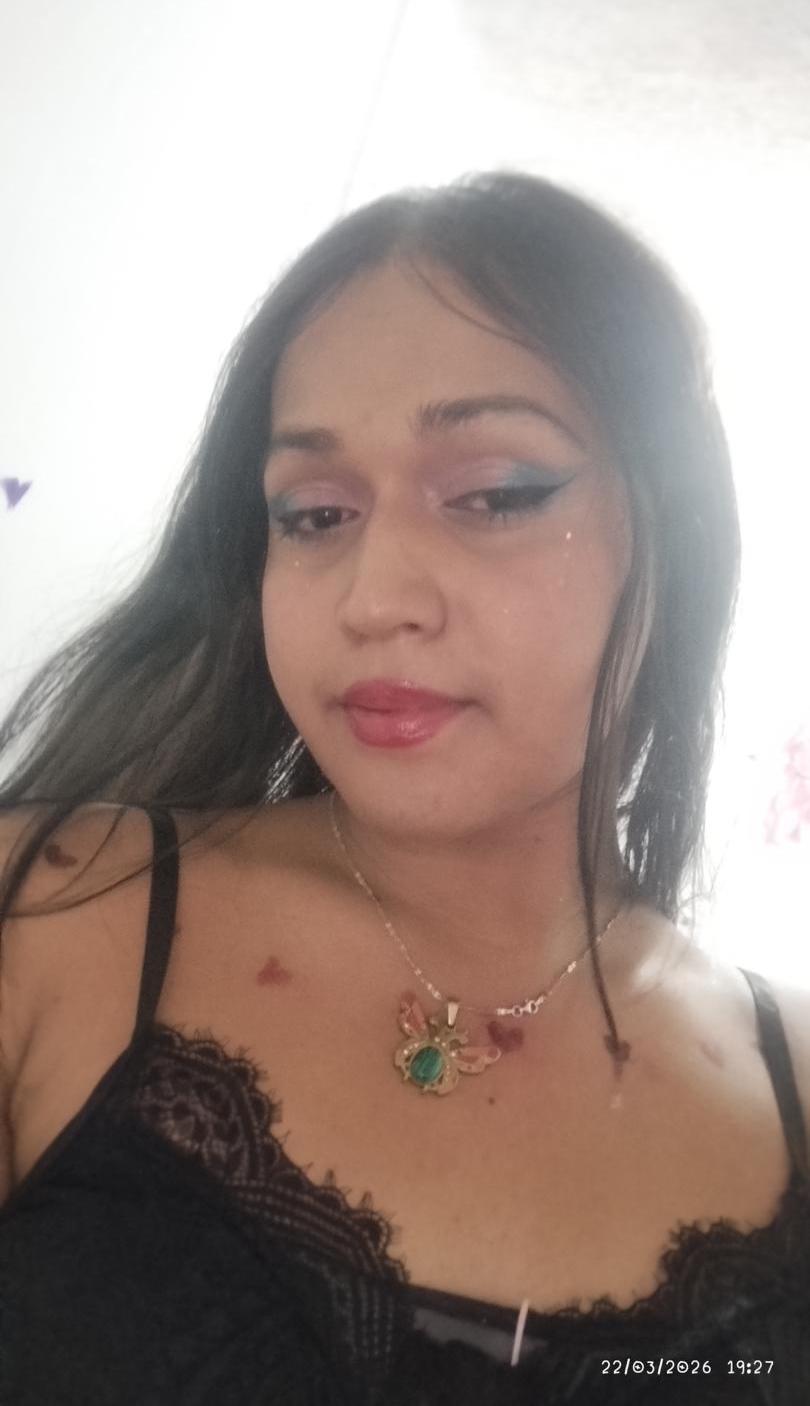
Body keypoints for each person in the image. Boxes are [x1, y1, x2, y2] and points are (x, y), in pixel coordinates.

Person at [0, 170, 808, 1404]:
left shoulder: (788, 1082)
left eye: (495, 495)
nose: (374, 598)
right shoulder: (51, 917)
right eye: (314, 514)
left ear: (672, 531)